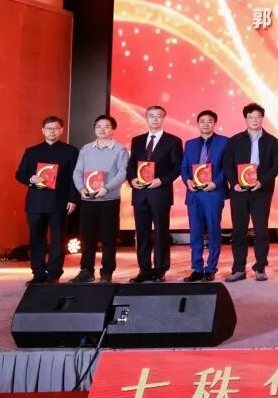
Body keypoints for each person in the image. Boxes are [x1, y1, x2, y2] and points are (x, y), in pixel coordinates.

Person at [14, 116, 79, 284]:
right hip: (35, 202)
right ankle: (38, 273)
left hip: (59, 202)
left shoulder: (71, 151)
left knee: (57, 240)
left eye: (56, 128)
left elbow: (75, 177)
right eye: (49, 129)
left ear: (61, 130)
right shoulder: (32, 151)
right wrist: (31, 179)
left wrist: (73, 199)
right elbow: (20, 174)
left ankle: (54, 274)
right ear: (43, 130)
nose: (52, 131)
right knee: (36, 239)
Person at [221, 102, 278, 282]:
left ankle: (260, 267)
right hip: (239, 192)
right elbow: (227, 164)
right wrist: (234, 183)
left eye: (258, 117)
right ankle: (238, 269)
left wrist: (262, 182)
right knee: (239, 231)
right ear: (245, 119)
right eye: (251, 117)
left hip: (261, 191)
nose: (254, 120)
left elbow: (276, 166)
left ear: (262, 118)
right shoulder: (234, 141)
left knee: (261, 230)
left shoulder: (273, 142)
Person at [126, 105, 183, 283]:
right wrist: (132, 179)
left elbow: (177, 168)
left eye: (159, 116)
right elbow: (131, 165)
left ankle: (159, 270)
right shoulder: (137, 140)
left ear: (163, 118)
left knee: (161, 233)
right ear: (146, 118)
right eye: (151, 116)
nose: (155, 119)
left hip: (160, 193)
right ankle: (144, 270)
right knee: (142, 234)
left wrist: (161, 181)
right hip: (140, 194)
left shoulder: (173, 141)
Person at [70, 115, 129, 283]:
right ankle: (86, 271)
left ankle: (106, 272)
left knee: (108, 238)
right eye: (98, 126)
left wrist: (106, 188)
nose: (102, 129)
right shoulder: (86, 149)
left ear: (113, 130)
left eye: (106, 126)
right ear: (94, 129)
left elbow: (123, 173)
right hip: (88, 200)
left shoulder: (120, 149)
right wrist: (81, 189)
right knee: (87, 238)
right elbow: (77, 172)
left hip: (109, 200)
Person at [179, 109, 229, 281]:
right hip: (194, 194)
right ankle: (197, 268)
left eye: (209, 121)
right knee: (195, 232)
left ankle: (211, 268)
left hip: (213, 192)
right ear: (198, 124)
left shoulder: (224, 142)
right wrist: (188, 181)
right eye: (202, 121)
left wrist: (215, 183)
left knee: (214, 231)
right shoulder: (190, 144)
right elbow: (184, 167)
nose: (206, 124)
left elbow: (227, 167)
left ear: (215, 123)